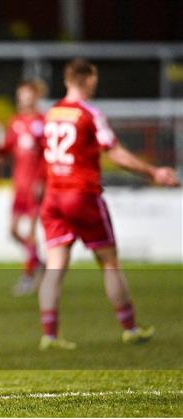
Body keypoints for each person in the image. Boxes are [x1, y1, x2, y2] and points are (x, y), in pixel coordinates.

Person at [38, 59, 179, 350]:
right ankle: (129, 328)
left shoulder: (52, 113)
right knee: (109, 263)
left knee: (55, 266)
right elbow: (114, 153)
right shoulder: (89, 113)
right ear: (88, 79)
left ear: (67, 81)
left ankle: (49, 335)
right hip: (82, 195)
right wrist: (153, 172)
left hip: (53, 197)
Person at [0, 80, 46, 296]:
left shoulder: (42, 121)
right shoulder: (15, 121)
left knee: (31, 232)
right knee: (13, 231)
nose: (23, 98)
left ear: (35, 96)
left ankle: (28, 276)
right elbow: (6, 148)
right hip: (19, 186)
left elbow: (47, 155)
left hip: (35, 186)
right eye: (20, 94)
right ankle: (38, 261)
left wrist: (42, 180)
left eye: (26, 94)